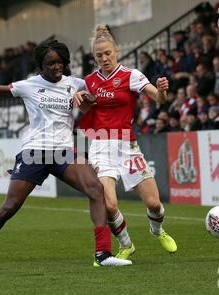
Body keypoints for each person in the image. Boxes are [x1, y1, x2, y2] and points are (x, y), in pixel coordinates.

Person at [0, 40, 131, 268]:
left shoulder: (76, 84)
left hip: (63, 152)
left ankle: (103, 254)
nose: (57, 67)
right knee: (10, 207)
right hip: (35, 152)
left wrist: (90, 100)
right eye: (51, 64)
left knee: (95, 188)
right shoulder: (28, 85)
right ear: (41, 66)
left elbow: (96, 101)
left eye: (60, 62)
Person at [74, 25, 177, 260]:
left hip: (126, 146)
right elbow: (82, 108)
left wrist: (162, 91)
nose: (104, 58)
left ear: (116, 51)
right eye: (99, 55)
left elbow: (158, 99)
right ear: (94, 57)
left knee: (153, 203)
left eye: (108, 53)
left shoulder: (131, 75)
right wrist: (80, 101)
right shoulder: (89, 82)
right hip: (100, 146)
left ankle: (157, 230)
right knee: (109, 204)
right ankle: (126, 243)